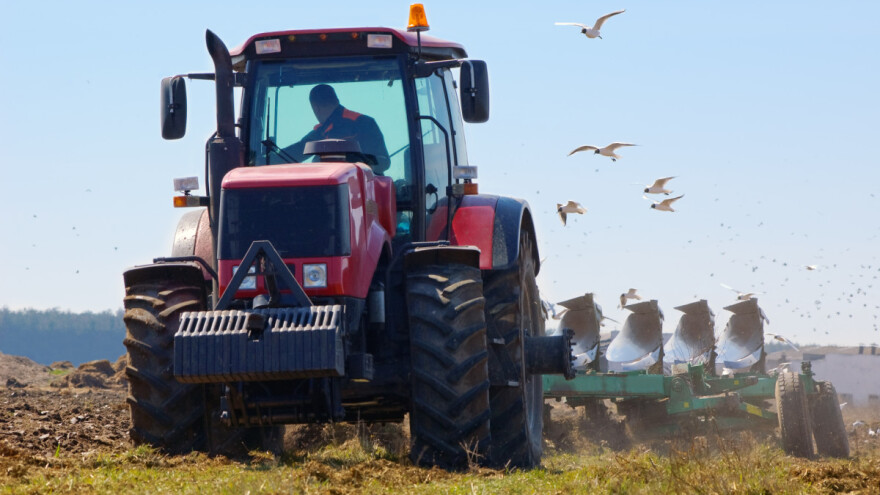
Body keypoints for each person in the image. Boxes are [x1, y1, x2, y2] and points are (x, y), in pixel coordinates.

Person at [284, 84, 390, 174]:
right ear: (337, 100)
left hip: (364, 193)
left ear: (316, 107)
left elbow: (384, 162)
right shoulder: (365, 122)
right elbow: (383, 161)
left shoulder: (361, 123)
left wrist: (353, 161)